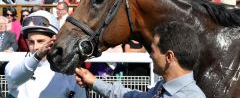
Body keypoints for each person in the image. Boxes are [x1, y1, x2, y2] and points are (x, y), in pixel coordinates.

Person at [75, 21, 206, 98]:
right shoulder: (162, 88)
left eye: (153, 51)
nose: (150, 56)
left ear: (169, 57)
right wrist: (93, 82)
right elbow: (130, 96)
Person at [5, 10, 86, 98]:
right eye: (31, 42)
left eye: (40, 41)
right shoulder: (14, 64)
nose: (35, 47)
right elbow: (16, 77)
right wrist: (37, 56)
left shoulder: (71, 73)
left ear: (55, 39)